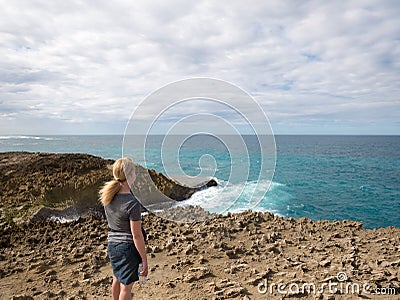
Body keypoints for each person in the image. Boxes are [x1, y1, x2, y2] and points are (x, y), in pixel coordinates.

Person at [99, 157, 148, 300]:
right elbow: (137, 235)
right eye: (134, 171)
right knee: (126, 287)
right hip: (127, 249)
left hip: (112, 246)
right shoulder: (133, 203)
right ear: (130, 175)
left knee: (117, 278)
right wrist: (144, 260)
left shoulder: (108, 198)